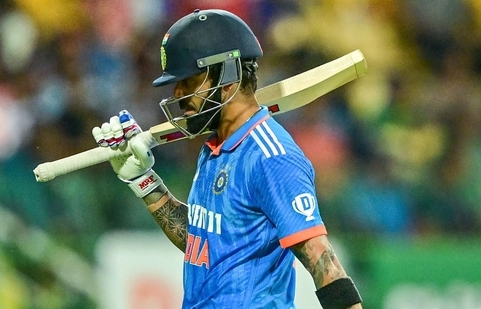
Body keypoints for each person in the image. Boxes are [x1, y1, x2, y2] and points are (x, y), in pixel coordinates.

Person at [92, 9, 363, 309]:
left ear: (229, 76)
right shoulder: (213, 148)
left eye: (190, 81)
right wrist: (144, 182)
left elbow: (324, 264)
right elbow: (203, 244)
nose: (178, 93)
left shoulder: (271, 156)